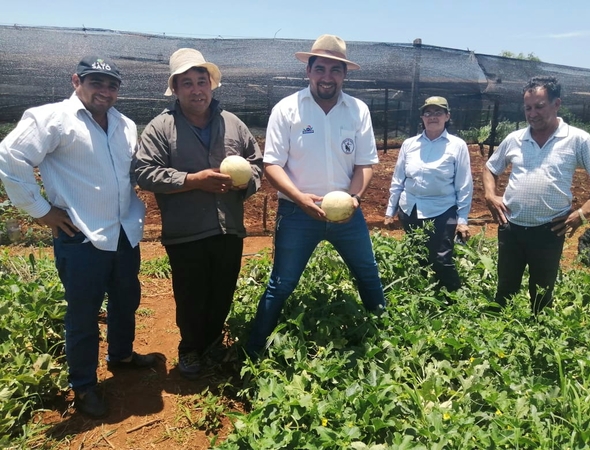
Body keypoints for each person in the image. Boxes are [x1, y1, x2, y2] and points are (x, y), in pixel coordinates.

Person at [0, 56, 155, 418]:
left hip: (122, 232)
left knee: (125, 299)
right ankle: (84, 385)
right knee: (83, 313)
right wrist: (39, 210)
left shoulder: (124, 124)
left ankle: (122, 355)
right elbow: (10, 155)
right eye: (95, 82)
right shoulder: (50, 119)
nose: (104, 91)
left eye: (111, 85)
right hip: (81, 234)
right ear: (76, 81)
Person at [245, 34, 386, 358]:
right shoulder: (287, 109)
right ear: (308, 71)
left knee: (368, 274)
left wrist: (354, 198)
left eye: (335, 70)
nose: (327, 76)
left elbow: (365, 164)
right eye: (320, 68)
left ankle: (385, 337)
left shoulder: (357, 110)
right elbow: (272, 164)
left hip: (347, 214)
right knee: (281, 284)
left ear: (344, 74)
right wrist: (299, 197)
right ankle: (253, 350)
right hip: (297, 214)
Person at [134, 48, 263, 380]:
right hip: (186, 231)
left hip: (228, 229)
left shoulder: (233, 124)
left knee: (222, 291)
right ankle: (190, 348)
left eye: (201, 81)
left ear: (211, 85)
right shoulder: (161, 128)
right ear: (175, 89)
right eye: (186, 83)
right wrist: (192, 181)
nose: (196, 90)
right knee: (191, 294)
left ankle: (212, 343)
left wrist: (244, 184)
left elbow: (257, 164)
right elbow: (144, 172)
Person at [483, 76, 590, 314]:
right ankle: (496, 337)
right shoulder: (515, 138)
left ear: (557, 104)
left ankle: (537, 339)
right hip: (511, 226)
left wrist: (585, 210)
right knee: (505, 287)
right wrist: (490, 195)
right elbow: (490, 168)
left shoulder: (577, 139)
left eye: (539, 106)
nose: (532, 113)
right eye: (527, 108)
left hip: (550, 229)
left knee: (542, 292)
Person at [384, 96, 473, 295]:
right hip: (410, 209)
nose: (432, 117)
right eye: (428, 113)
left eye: (438, 112)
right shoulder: (409, 144)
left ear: (447, 116)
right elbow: (398, 179)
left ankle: (455, 301)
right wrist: (391, 210)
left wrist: (462, 219)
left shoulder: (457, 146)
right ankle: (423, 297)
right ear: (422, 117)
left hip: (441, 210)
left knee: (441, 258)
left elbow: (464, 185)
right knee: (417, 256)